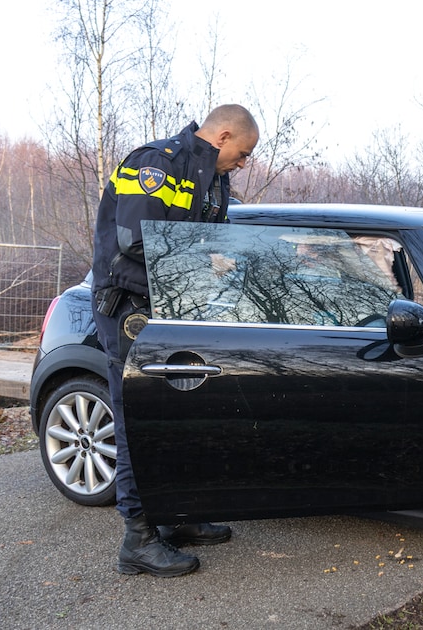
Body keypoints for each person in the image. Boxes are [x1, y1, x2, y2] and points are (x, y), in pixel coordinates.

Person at [90, 104, 259, 577]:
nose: (243, 163)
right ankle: (138, 539)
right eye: (243, 153)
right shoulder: (154, 164)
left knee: (184, 412)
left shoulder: (214, 180)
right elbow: (135, 239)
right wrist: (207, 261)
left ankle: (179, 514)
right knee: (138, 419)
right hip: (130, 308)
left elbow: (217, 237)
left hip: (175, 305)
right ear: (223, 137)